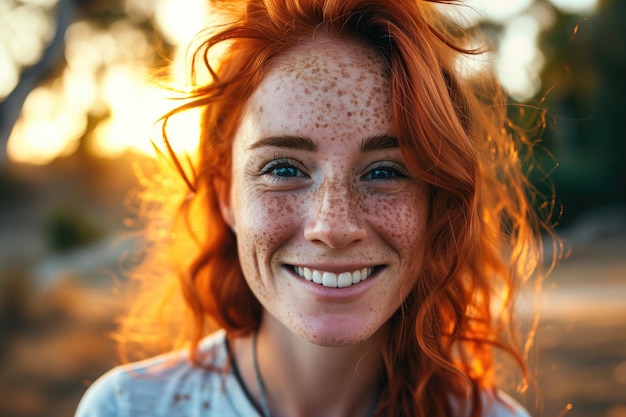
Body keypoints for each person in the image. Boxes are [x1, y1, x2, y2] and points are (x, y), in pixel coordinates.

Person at [75, 0, 558, 416]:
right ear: (226, 195)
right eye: (284, 169)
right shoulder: (127, 408)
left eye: (385, 171)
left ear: (438, 202)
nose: (333, 226)